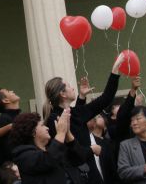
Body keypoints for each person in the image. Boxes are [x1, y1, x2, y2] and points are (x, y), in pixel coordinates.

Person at [43, 53, 126, 184]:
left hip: (87, 172)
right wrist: (115, 70)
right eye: (69, 86)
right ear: (62, 94)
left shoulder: (70, 113)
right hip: (75, 176)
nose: (72, 88)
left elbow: (104, 100)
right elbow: (68, 153)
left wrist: (81, 98)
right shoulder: (55, 119)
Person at [10, 108, 81, 183]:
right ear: (32, 131)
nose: (47, 128)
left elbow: (79, 159)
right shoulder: (23, 154)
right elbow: (48, 160)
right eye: (42, 125)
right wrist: (60, 133)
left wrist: (68, 134)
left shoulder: (50, 148)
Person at [0, 88, 19, 168]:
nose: (12, 91)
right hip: (12, 172)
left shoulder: (15, 117)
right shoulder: (4, 120)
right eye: (9, 91)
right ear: (6, 100)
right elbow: (10, 150)